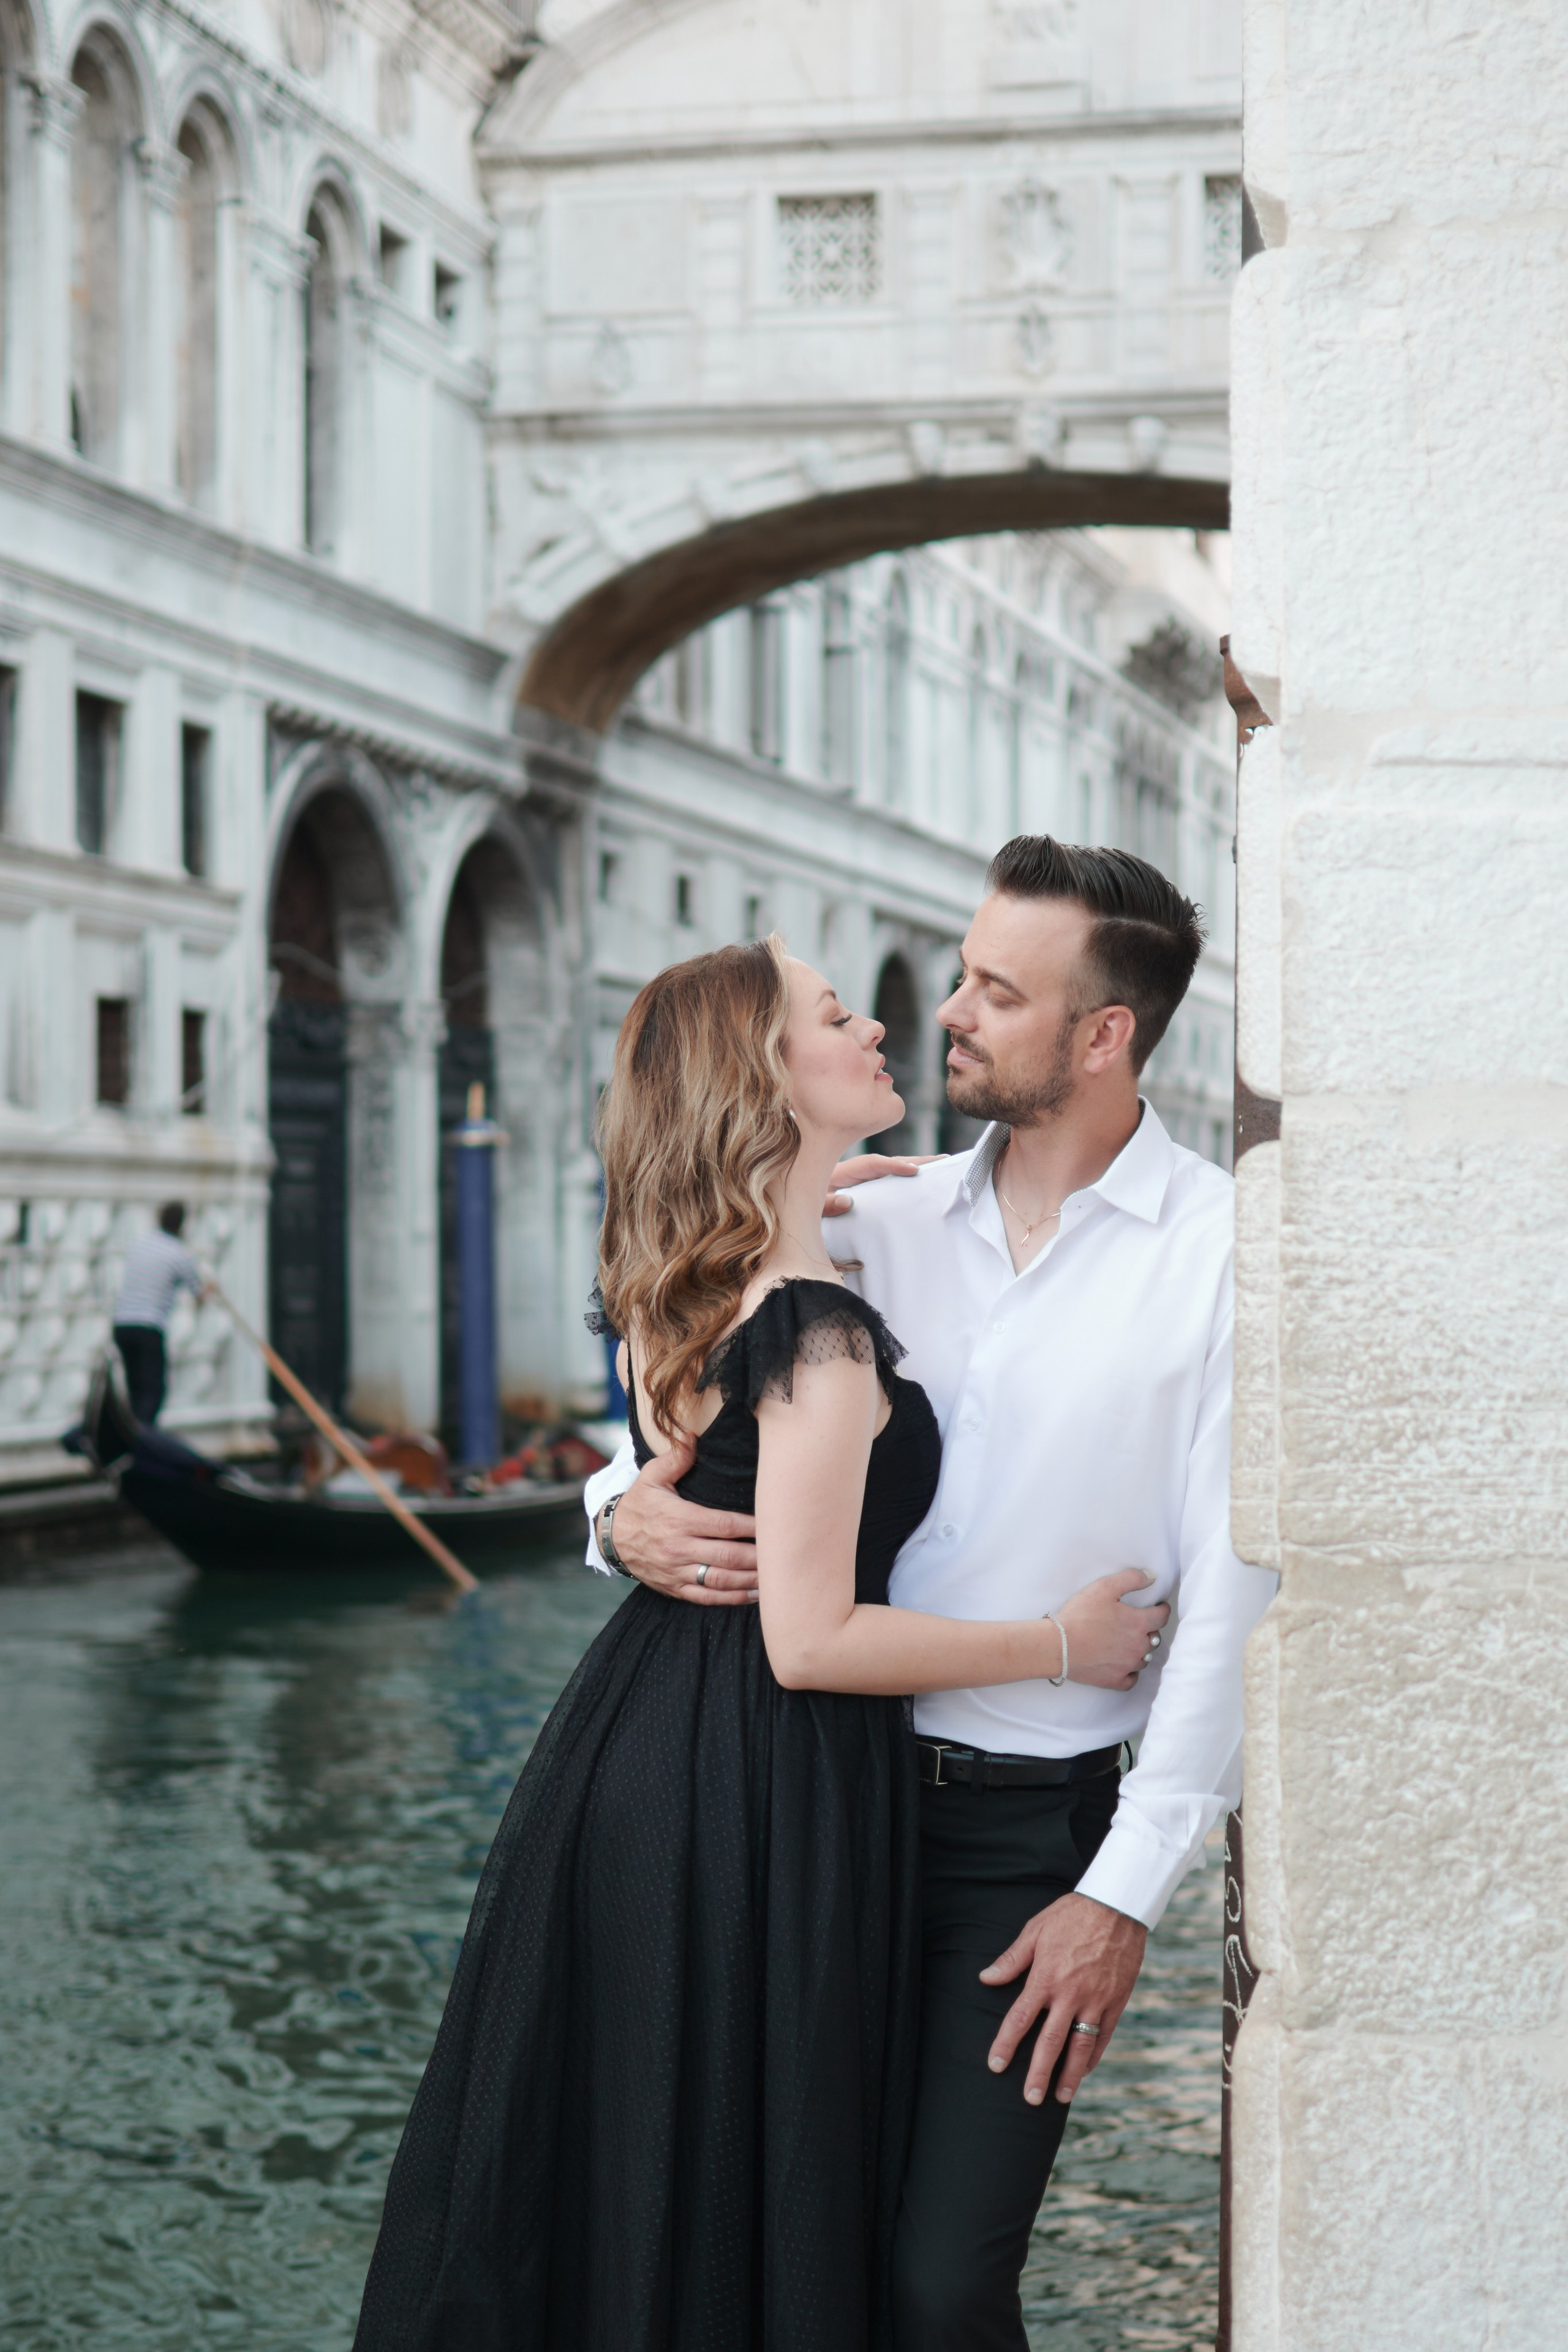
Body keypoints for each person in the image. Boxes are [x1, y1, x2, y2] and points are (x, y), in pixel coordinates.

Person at [353, 937, 1159, 2352]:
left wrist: (819, 1199)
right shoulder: (816, 1331)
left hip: (644, 1739)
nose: (875, 1030)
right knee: (732, 2149)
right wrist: (1056, 1636)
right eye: (835, 1017)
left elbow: (674, 1479)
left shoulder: (698, 1287)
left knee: (645, 2151)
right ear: (764, 1079)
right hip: (750, 1762)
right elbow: (809, 1636)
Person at [586, 837, 1280, 2352]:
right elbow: (687, 1394)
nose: (944, 1009)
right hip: (814, 1800)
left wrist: (1119, 1892)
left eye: (990, 989)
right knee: (790, 2253)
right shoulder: (868, 1221)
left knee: (939, 2279)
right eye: (958, 972)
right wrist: (609, 1512)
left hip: (1027, 1840)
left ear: (1103, 1034)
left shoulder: (1229, 1253)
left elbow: (1229, 1597)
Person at [111, 1204, 210, 1425]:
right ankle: (143, 1441)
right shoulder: (179, 1253)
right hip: (148, 1326)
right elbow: (199, 1295)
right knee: (153, 1390)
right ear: (183, 1225)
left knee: (135, 1386)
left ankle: (135, 1438)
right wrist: (210, 1289)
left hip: (122, 1325)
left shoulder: (140, 1244)